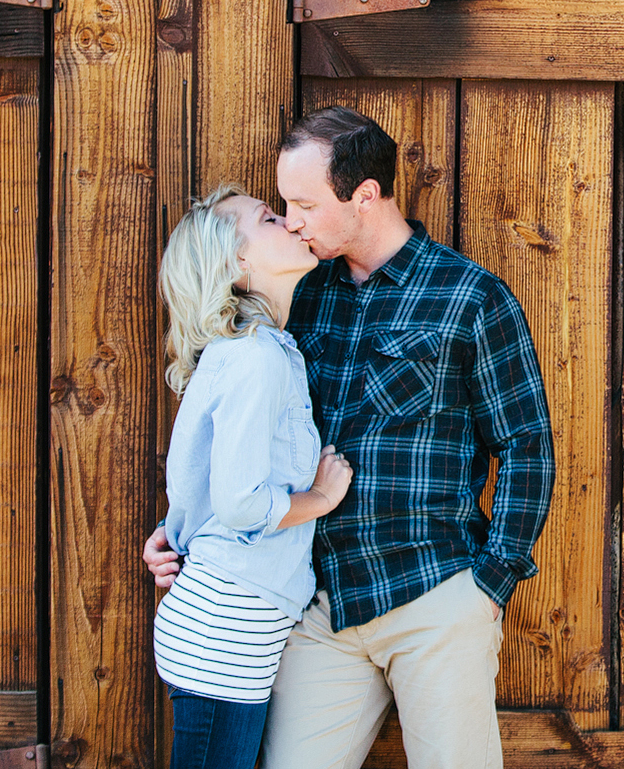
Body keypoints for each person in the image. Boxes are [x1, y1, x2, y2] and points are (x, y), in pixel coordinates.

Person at [145, 106, 555, 769]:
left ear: (364, 196)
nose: (293, 219)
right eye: (282, 206)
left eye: (303, 202)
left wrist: (490, 582)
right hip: (318, 607)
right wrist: (182, 530)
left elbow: (526, 444)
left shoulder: (469, 297)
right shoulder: (295, 294)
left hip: (433, 594)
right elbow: (234, 433)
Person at [154, 183, 356, 769]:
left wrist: (173, 534)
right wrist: (320, 497)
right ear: (237, 264)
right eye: (269, 219)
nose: (290, 224)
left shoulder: (251, 352)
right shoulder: (256, 358)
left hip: (228, 626)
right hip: (225, 634)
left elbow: (195, 483)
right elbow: (241, 502)